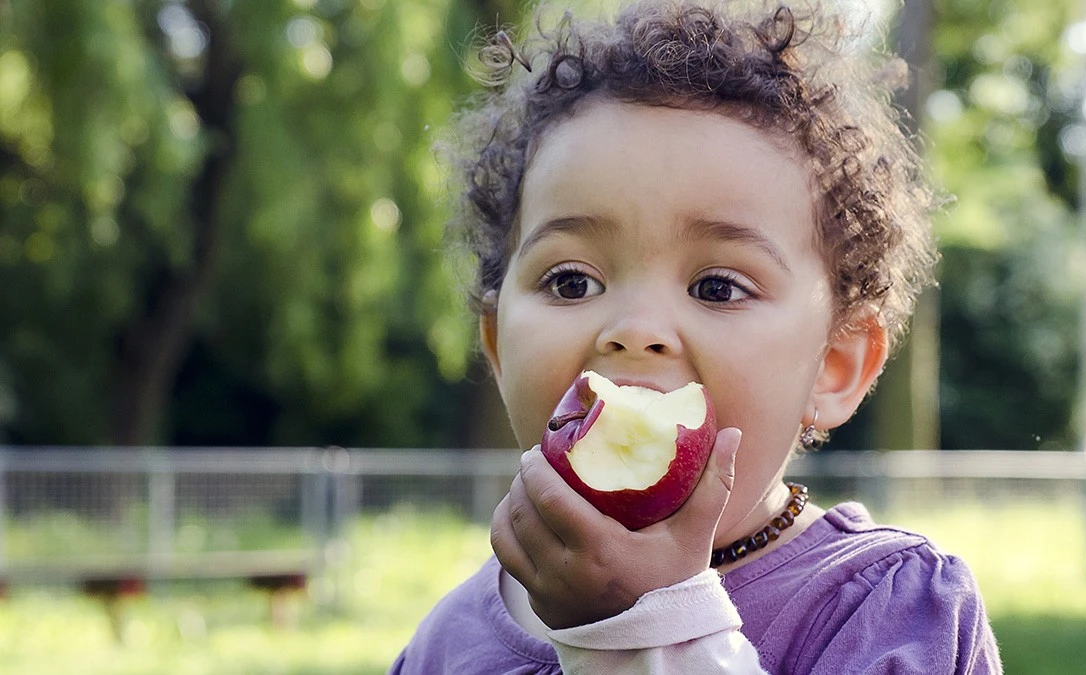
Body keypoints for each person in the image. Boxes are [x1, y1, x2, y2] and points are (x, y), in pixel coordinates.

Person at [394, 0, 1002, 672]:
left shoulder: (890, 612)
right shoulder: (446, 644)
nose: (635, 330)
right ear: (499, 346)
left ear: (835, 365)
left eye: (717, 287)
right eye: (572, 281)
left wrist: (647, 627)